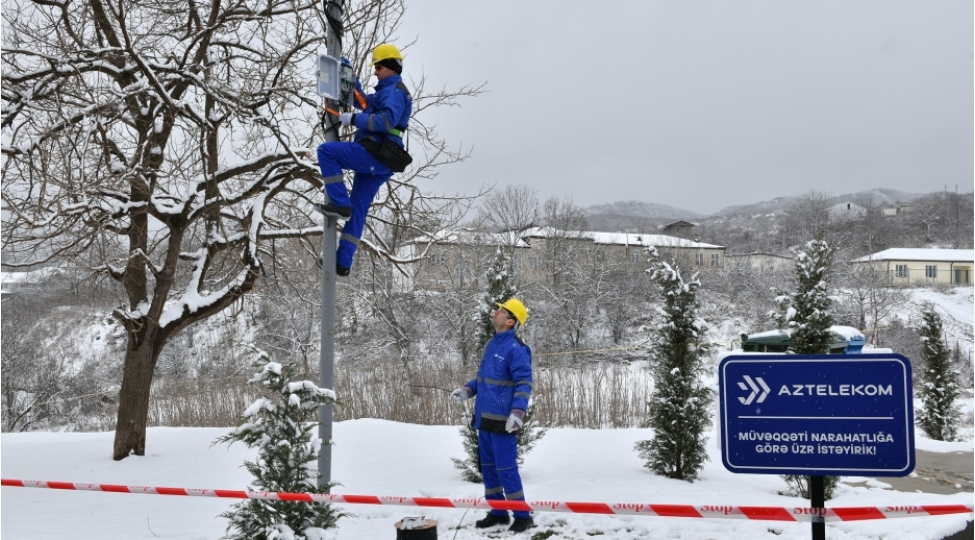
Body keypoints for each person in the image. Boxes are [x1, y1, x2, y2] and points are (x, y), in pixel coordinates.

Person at [315, 43, 412, 276]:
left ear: (390, 66)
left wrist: (353, 120)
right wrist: (350, 79)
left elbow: (385, 121)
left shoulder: (395, 90)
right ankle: (343, 261)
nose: (375, 71)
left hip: (377, 152)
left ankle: (339, 203)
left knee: (326, 152)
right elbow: (364, 102)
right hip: (381, 159)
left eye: (378, 67)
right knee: (359, 209)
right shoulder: (385, 91)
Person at [451, 298, 534, 533]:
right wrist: (468, 389)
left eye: (500, 311)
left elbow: (524, 383)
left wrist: (518, 412)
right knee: (488, 468)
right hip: (484, 419)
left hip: (504, 421)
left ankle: (522, 515)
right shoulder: (491, 344)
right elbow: (483, 379)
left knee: (506, 469)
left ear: (510, 321)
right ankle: (498, 513)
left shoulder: (517, 348)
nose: (494, 312)